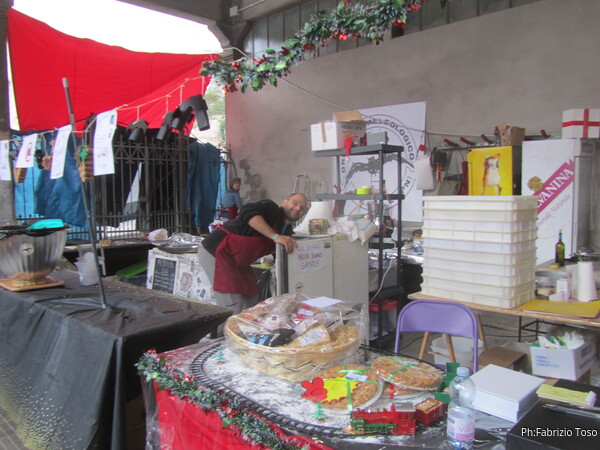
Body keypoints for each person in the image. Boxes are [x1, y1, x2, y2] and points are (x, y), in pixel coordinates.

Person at [199, 193, 310, 317]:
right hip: (217, 251)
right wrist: (275, 236)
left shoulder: (287, 233)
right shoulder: (270, 209)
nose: (298, 208)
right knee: (234, 307)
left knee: (252, 302)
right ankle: (225, 329)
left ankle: (246, 328)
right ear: (284, 201)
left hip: (240, 262)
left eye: (303, 208)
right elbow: (246, 211)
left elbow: (280, 258)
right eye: (295, 203)